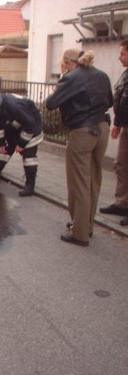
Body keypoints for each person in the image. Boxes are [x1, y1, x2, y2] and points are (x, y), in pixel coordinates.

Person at [46, 49, 113, 247]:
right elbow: (109, 101)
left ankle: (79, 233)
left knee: (79, 183)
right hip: (102, 128)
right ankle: (86, 225)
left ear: (68, 62)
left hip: (82, 132)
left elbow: (51, 103)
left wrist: (64, 82)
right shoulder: (101, 75)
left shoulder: (71, 77)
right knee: (94, 180)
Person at [0, 90, 44, 197]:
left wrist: (21, 144)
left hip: (31, 127)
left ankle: (30, 186)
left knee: (29, 157)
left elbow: (30, 124)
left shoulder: (13, 106)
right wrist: (1, 144)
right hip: (15, 127)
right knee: (3, 152)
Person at [99, 40, 128, 226]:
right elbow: (121, 100)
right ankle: (122, 203)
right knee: (121, 165)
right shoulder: (126, 74)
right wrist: (117, 123)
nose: (119, 57)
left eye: (122, 54)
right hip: (126, 126)